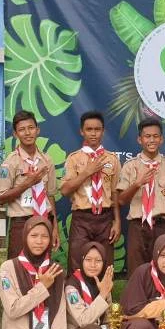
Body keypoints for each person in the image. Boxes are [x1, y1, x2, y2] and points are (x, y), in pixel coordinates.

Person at [0, 216, 79, 329]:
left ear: (51, 240)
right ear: (25, 237)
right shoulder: (9, 267)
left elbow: (59, 316)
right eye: (34, 235)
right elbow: (13, 309)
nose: (39, 241)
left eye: (45, 236)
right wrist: (42, 288)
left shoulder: (55, 270)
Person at [117, 118, 165, 277]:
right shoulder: (130, 166)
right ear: (139, 139)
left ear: (162, 139)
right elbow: (121, 200)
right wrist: (137, 183)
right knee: (136, 270)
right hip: (138, 226)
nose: (151, 140)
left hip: (161, 225)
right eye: (147, 136)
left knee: (163, 270)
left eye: (155, 136)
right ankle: (136, 301)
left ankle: (162, 301)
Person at [60, 111, 121, 271]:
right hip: (82, 218)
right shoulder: (74, 159)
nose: (93, 133)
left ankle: (103, 294)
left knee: (105, 261)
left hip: (105, 217)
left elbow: (115, 192)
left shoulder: (112, 159)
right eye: (89, 129)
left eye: (97, 129)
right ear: (82, 131)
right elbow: (65, 190)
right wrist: (87, 172)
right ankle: (76, 293)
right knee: (77, 261)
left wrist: (117, 221)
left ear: (103, 131)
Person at [0, 110, 59, 257]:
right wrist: (27, 183)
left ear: (37, 130)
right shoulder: (9, 163)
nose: (27, 133)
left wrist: (54, 227)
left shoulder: (47, 160)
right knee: (18, 270)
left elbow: (50, 196)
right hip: (21, 223)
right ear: (15, 134)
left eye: (31, 128)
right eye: (22, 129)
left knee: (42, 268)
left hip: (44, 221)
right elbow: (1, 198)